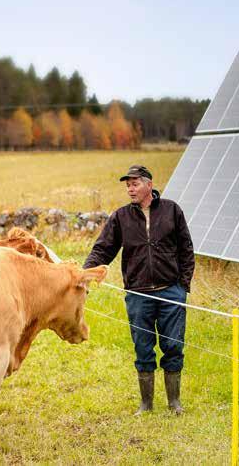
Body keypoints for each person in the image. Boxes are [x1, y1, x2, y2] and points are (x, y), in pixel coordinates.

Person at [83, 164, 194, 415]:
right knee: (143, 347)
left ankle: (174, 402)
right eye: (127, 185)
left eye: (134, 184)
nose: (130, 189)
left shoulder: (171, 210)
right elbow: (103, 249)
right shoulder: (121, 216)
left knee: (173, 346)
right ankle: (146, 404)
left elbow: (187, 249)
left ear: (148, 185)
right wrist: (86, 273)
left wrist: (182, 286)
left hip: (170, 292)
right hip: (138, 294)